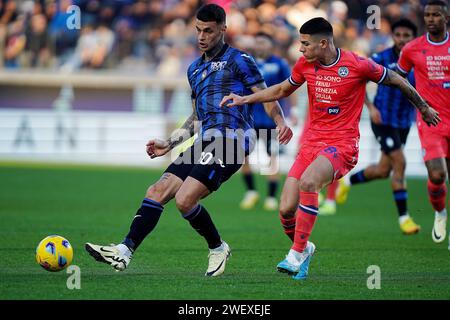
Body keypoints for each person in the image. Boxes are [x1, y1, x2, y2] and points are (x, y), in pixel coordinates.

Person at [221, 17, 440, 280]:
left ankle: (296, 253)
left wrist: (423, 107)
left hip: (342, 144)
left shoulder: (357, 64)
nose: (300, 49)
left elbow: (397, 79)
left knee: (309, 182)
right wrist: (245, 98)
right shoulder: (305, 65)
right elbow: (280, 89)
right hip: (312, 143)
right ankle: (305, 247)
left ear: (323, 43)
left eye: (305, 44)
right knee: (285, 209)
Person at [84, 4, 292, 277]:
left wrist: (279, 121)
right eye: (198, 30)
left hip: (232, 140)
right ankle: (124, 250)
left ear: (223, 30)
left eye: (208, 30)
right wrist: (169, 143)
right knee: (156, 191)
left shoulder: (240, 60)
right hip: (205, 140)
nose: (202, 36)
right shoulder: (194, 69)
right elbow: (196, 116)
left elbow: (265, 95)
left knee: (184, 199)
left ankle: (218, 247)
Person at [336, 19, 420, 234]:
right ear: (393, 36)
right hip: (382, 120)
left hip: (403, 121)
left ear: (413, 37)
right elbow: (357, 79)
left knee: (384, 170)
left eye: (406, 36)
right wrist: (370, 107)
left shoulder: (418, 59)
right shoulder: (381, 58)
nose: (402, 39)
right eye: (398, 35)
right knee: (399, 162)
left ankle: (348, 182)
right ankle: (404, 219)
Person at [396, 0, 450, 245]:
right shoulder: (412, 49)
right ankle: (440, 212)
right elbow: (400, 79)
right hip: (431, 120)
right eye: (427, 15)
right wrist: (421, 106)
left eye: (436, 15)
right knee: (438, 175)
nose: (430, 19)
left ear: (446, 17)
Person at [239, 32, 295, 211]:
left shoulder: (279, 64)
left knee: (272, 157)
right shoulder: (248, 63)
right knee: (242, 156)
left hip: (270, 119)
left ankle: (271, 197)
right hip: (249, 118)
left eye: (263, 42)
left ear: (270, 45)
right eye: (258, 42)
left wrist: (292, 111)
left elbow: (290, 87)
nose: (260, 46)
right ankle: (251, 192)